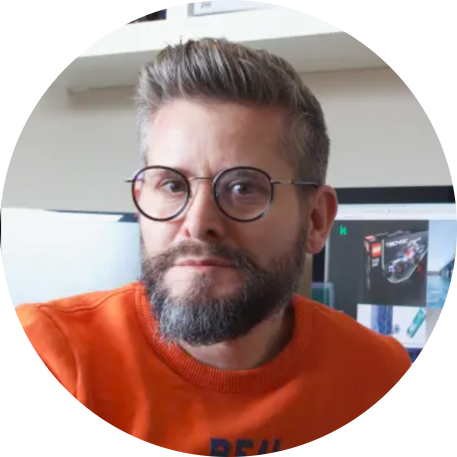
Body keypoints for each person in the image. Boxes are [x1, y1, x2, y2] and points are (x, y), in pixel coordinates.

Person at [15, 38, 411, 454]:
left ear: (316, 220)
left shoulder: (377, 374)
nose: (198, 223)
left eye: (243, 188)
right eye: (172, 185)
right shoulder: (54, 354)